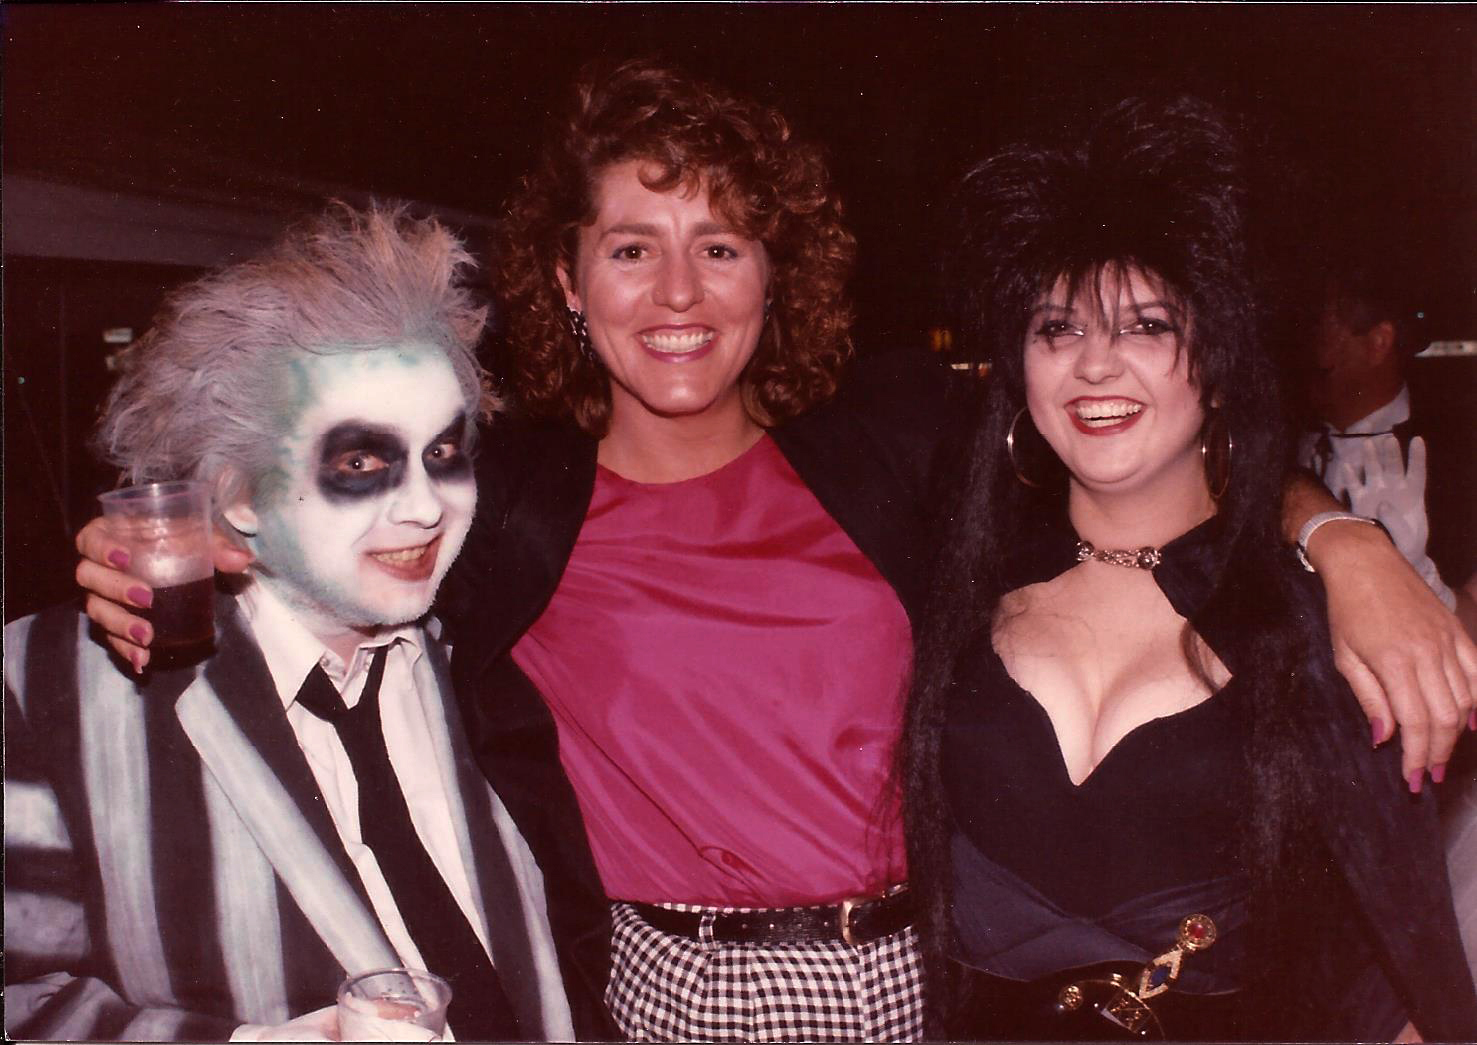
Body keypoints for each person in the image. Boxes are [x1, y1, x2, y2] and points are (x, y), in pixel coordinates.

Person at [72, 62, 1477, 1041]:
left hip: (924, 984)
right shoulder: (500, 502)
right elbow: (321, 542)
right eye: (633, 248)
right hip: (659, 992)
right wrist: (156, 552)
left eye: (723, 246)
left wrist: (1343, 538)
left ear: (772, 273)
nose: (678, 293)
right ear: (567, 280)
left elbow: (1138, 450)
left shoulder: (900, 446)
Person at [901, 97, 1477, 1040]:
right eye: (1056, 329)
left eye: (1145, 326)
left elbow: (1394, 977)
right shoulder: (953, 585)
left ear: (1218, 361)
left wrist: (1343, 543)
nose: (1093, 366)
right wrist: (1335, 530)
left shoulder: (1317, 625)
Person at [5, 205, 572, 1042]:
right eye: (359, 462)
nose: (424, 507)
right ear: (239, 495)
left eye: (443, 453)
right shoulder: (45, 689)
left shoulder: (488, 646)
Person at [1300, 258, 1477, 635]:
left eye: (1324, 324)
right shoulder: (1283, 447)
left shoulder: (1460, 459)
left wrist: (1421, 578)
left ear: (1378, 343)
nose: (1307, 345)